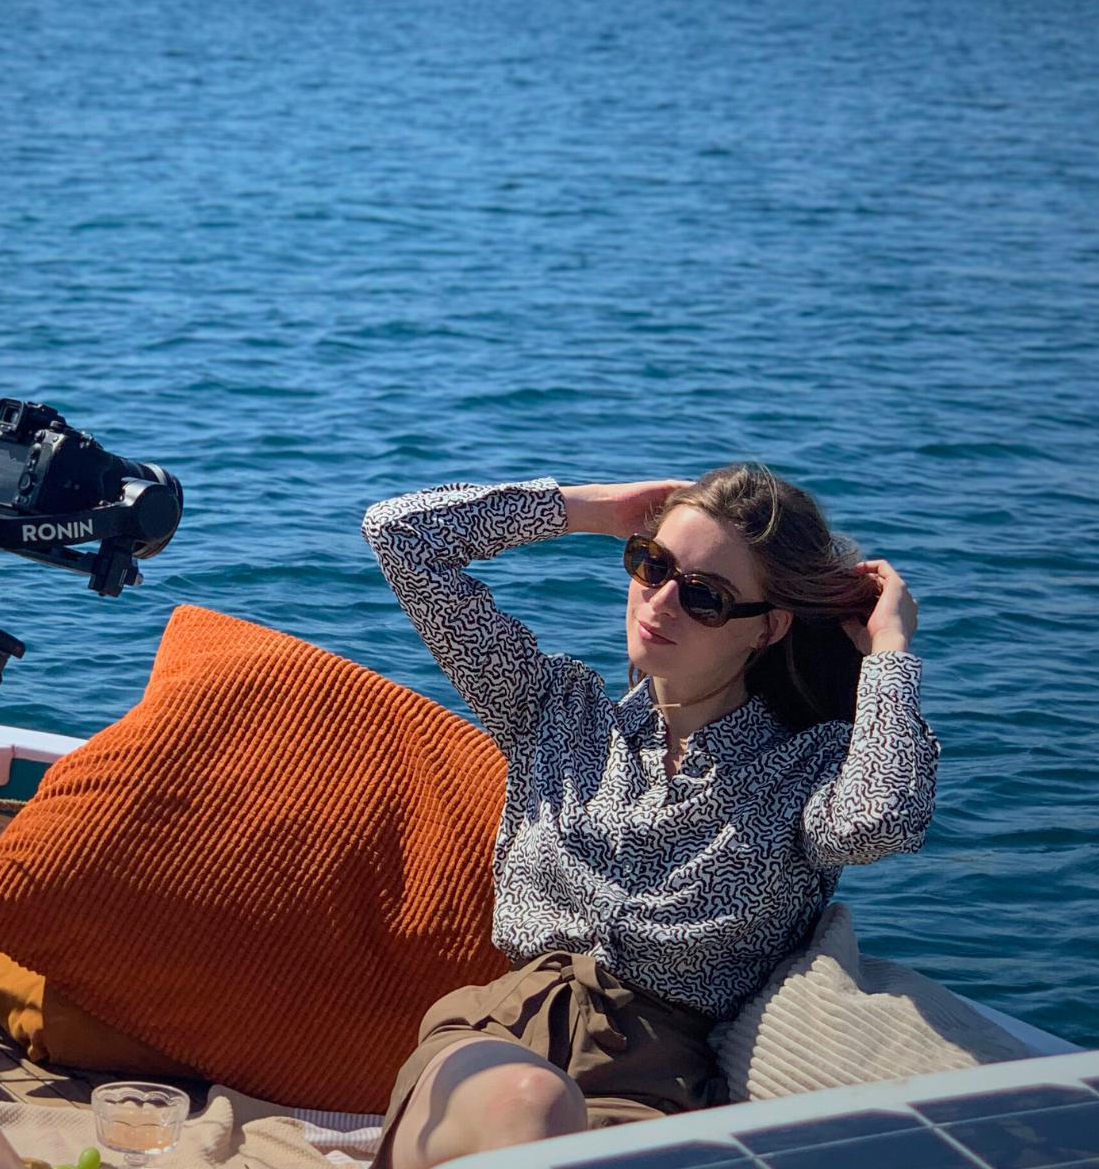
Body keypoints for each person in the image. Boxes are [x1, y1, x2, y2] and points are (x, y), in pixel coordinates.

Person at [361, 465, 937, 1169]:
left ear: (768, 628)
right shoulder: (554, 716)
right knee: (531, 1105)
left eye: (705, 597)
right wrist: (587, 510)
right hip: (495, 1046)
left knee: (550, 1124)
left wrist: (890, 653)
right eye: (651, 565)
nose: (659, 602)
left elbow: (886, 819)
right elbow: (400, 536)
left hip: (653, 1090)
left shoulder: (801, 774)